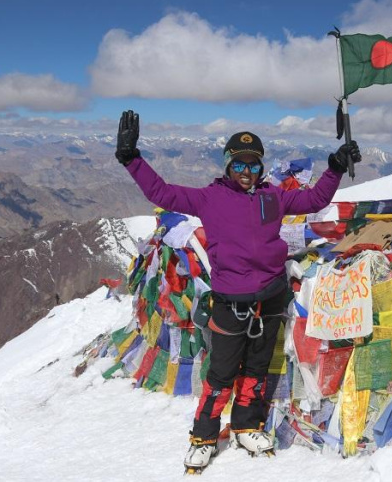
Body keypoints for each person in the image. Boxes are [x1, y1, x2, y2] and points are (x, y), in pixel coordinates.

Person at [114, 110, 361, 472]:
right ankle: (203, 436)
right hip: (230, 304)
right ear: (228, 166)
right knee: (221, 374)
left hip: (271, 300)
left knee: (257, 370)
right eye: (240, 166)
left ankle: (246, 426)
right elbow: (161, 192)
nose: (247, 174)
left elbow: (314, 201)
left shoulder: (273, 198)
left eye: (254, 166)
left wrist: (336, 168)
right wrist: (131, 159)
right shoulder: (209, 198)